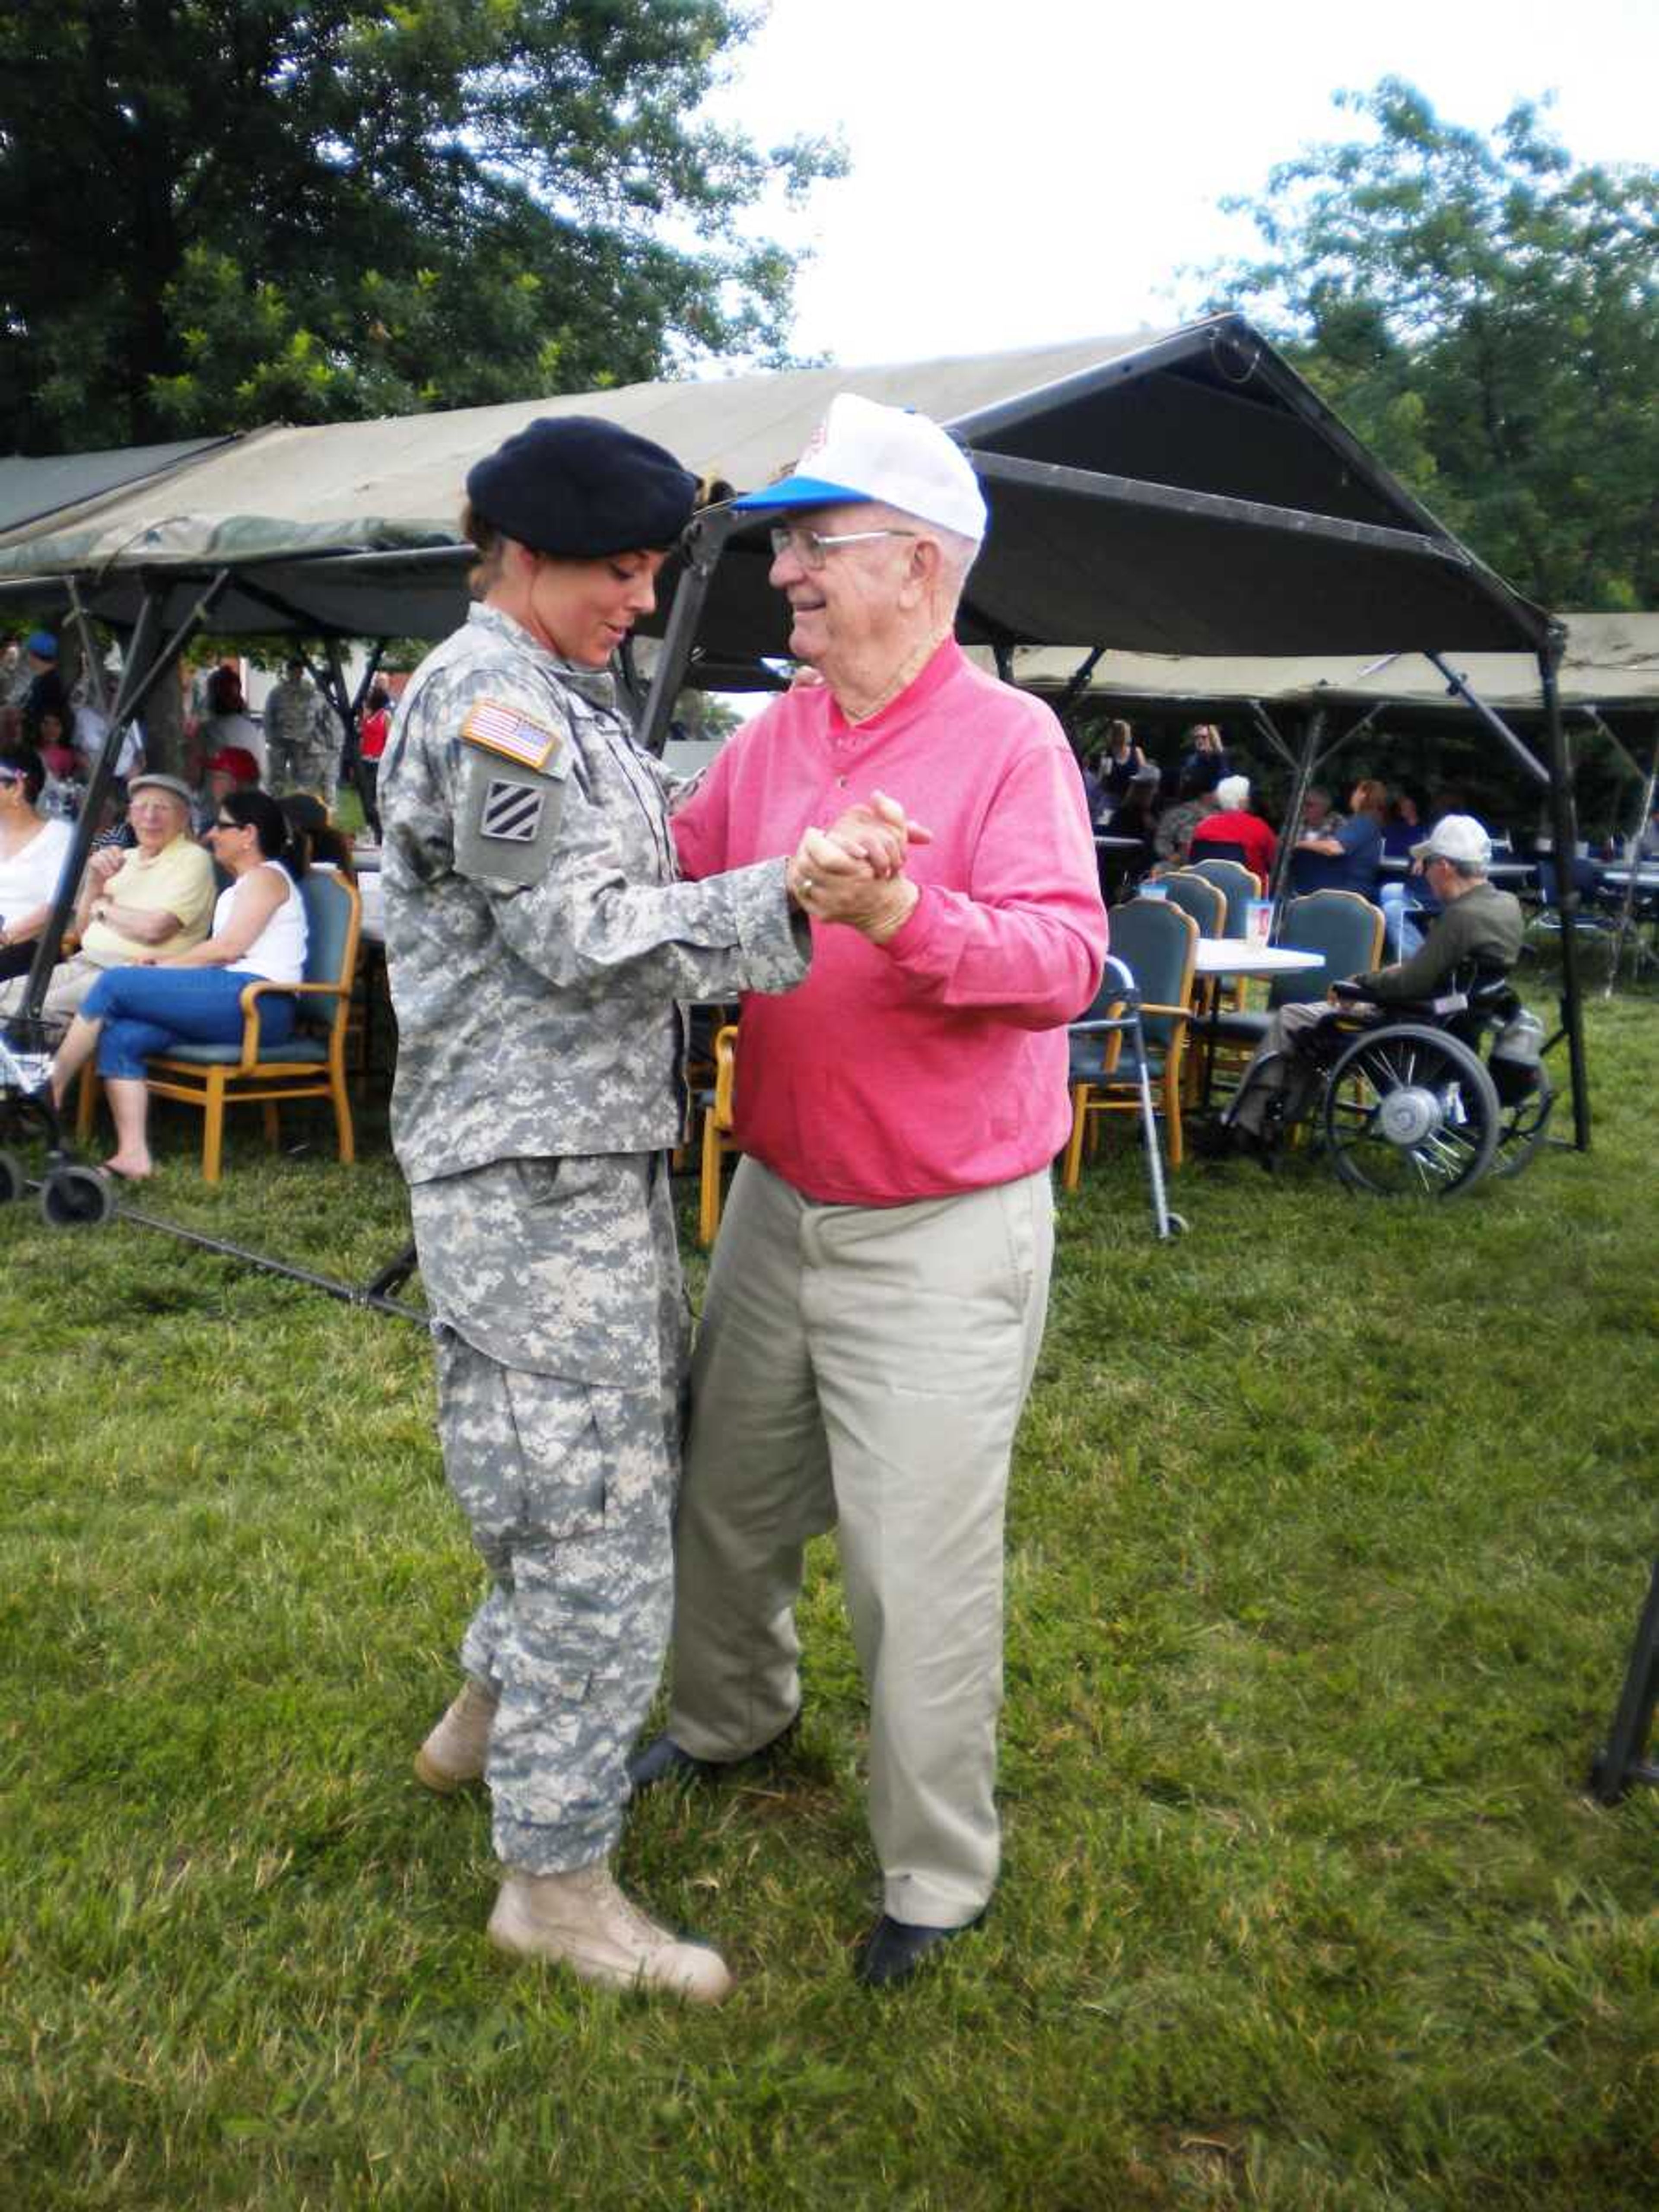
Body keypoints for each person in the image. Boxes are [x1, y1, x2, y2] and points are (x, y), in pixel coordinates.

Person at [381, 413, 879, 2006]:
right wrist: (785, 892)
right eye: (619, 567)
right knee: (597, 1528)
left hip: (577, 1169)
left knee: (591, 1468)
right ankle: (556, 1877)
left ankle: (480, 1719)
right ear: (522, 554)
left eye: (655, 567)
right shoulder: (491, 703)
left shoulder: (558, 696)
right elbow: (576, 934)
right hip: (525, 1182)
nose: (643, 598)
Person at [629, 392, 1109, 1990]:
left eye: (811, 545)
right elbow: (676, 865)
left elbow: (1063, 963)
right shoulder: (778, 734)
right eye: (784, 545)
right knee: (726, 1500)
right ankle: (728, 1718)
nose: (783, 576)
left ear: (916, 562)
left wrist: (907, 910)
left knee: (917, 1561)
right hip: (781, 1194)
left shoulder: (1010, 742)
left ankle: (936, 1871)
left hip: (942, 1227)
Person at [1214, 815, 1524, 1154]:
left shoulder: (1462, 918)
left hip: (1413, 1018)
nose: (1422, 871)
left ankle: (1242, 1125)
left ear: (1446, 866)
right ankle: (1276, 1122)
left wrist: (1360, 983)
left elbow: (1411, 979)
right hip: (1451, 1015)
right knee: (1312, 1024)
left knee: (1292, 1017)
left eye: (1427, 863)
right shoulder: (1505, 906)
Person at [46, 790, 308, 1179]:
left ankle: (51, 1092)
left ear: (248, 834)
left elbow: (228, 949)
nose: (210, 834)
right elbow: (223, 954)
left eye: (221, 826)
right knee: (124, 1035)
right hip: (231, 997)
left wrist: (161, 967)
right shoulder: (243, 885)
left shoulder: (266, 877)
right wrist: (162, 966)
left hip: (261, 1005)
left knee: (116, 982)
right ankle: (133, 1156)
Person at [0, 771, 214, 1020]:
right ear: (130, 816)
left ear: (184, 817)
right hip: (83, 963)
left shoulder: (193, 859)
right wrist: (94, 882)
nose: (150, 816)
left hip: (134, 975)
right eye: (141, 807)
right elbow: (84, 932)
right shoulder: (125, 858)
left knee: (31, 1011)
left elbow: (155, 929)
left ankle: (40, 1056)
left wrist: (104, 909)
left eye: (162, 808)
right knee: (4, 997)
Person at [0, 745, 77, 983]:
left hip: (29, 946)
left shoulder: (60, 836)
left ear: (18, 787)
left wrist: (5, 937)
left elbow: (56, 908)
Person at [1289, 776, 1385, 896]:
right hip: (1344, 888)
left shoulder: (1362, 823)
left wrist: (1299, 844)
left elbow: (1335, 848)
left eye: (1356, 791)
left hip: (1345, 891)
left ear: (1363, 796)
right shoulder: (1366, 823)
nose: (1352, 795)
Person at [264, 657, 337, 801]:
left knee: (302, 778)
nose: (296, 674)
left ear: (302, 672)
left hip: (302, 741)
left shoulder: (309, 691)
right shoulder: (277, 692)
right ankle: (273, 803)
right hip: (280, 740)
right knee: (276, 778)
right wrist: (270, 737)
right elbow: (268, 715)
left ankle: (300, 805)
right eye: (293, 670)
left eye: (299, 671)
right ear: (288, 672)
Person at [1188, 772, 1278, 887]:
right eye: (1247, 797)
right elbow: (1274, 861)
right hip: (1247, 895)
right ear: (1243, 801)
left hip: (1205, 892)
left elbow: (1192, 857)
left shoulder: (1203, 826)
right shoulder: (1259, 827)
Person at [356, 680, 392, 839]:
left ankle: (380, 833)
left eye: (371, 696)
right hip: (364, 761)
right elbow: (361, 736)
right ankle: (369, 829)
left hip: (378, 763)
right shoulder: (367, 715)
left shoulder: (386, 716)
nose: (368, 697)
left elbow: (390, 741)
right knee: (365, 799)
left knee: (375, 801)